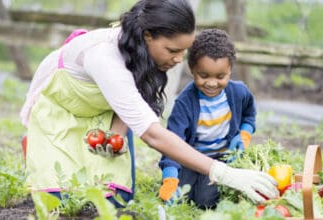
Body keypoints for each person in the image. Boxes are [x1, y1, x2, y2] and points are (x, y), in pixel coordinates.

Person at [20, 0, 278, 208]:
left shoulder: (143, 54)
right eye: (172, 50)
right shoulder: (104, 58)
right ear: (147, 36)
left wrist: (114, 138)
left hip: (102, 108)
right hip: (63, 107)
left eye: (183, 52)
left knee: (115, 201)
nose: (179, 59)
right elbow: (153, 135)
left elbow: (131, 101)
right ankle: (37, 146)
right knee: (62, 202)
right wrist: (223, 173)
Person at [158, 29, 258, 208]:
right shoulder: (185, 102)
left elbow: (250, 114)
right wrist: (170, 176)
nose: (212, 83)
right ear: (192, 69)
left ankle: (206, 189)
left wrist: (244, 134)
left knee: (205, 200)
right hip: (191, 158)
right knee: (178, 195)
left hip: (220, 161)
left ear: (230, 71)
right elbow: (172, 141)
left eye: (220, 76)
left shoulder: (238, 92)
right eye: (203, 76)